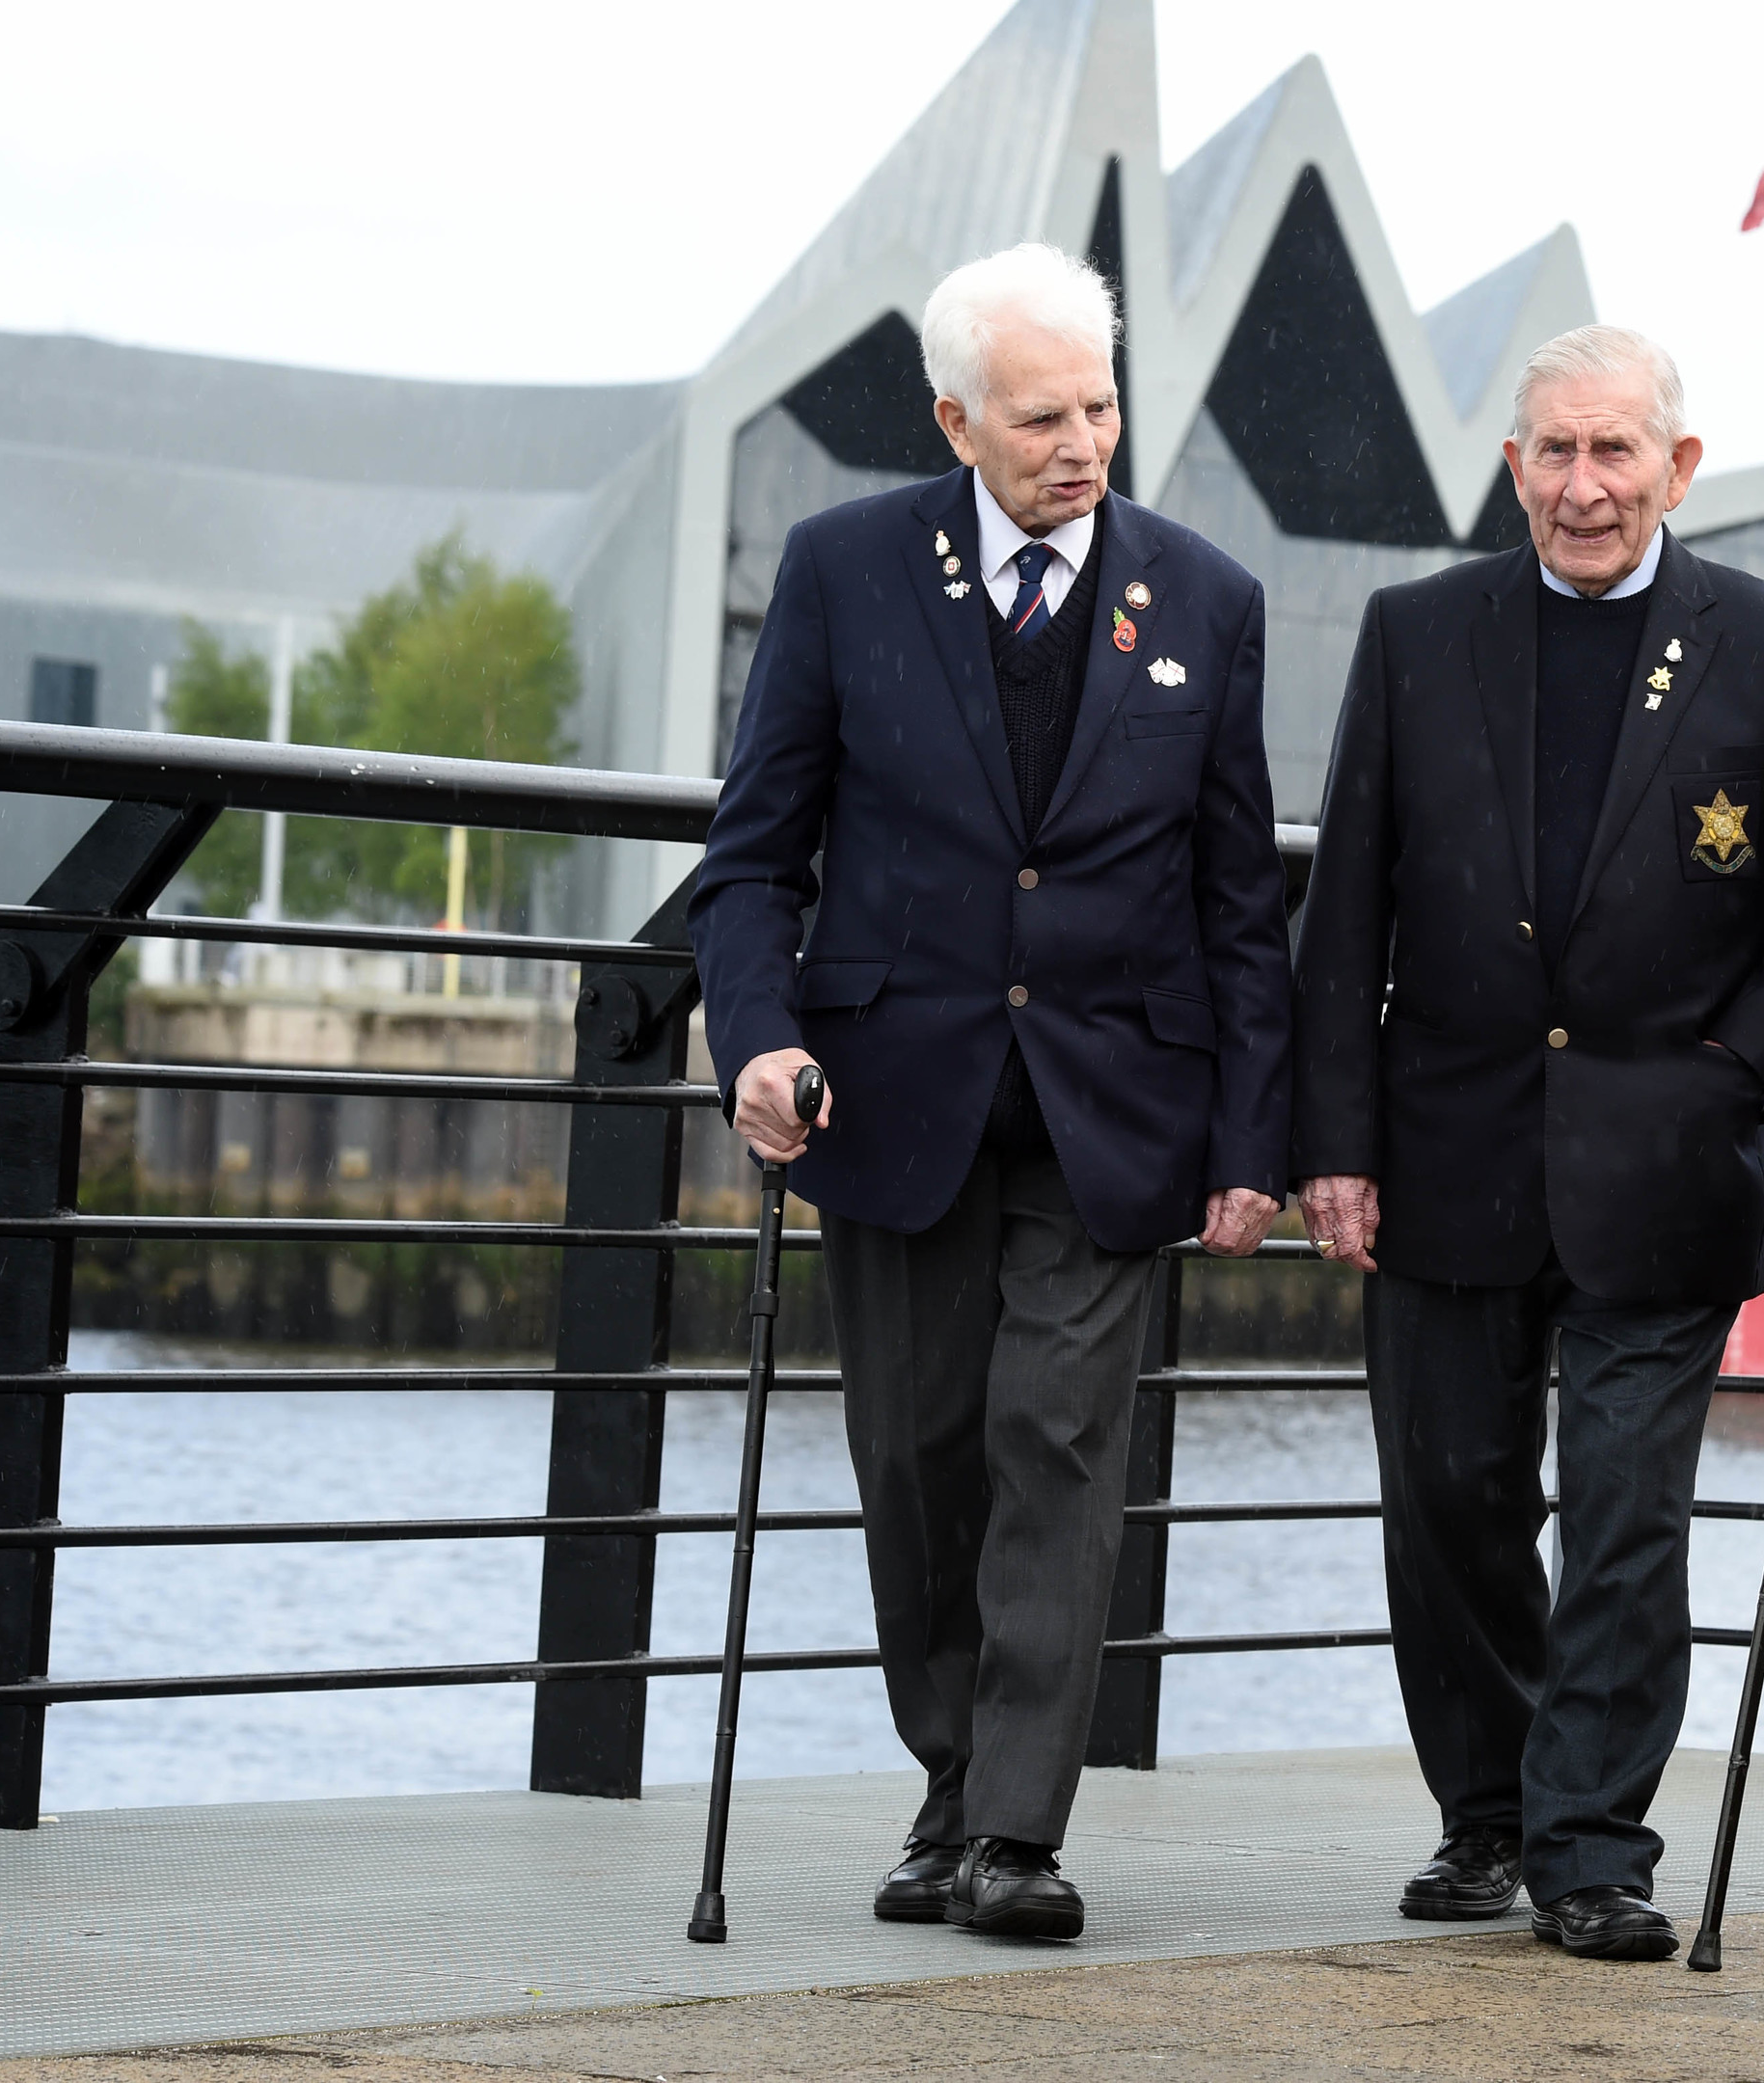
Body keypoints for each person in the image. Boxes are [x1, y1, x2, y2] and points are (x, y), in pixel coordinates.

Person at [690, 242, 1289, 1944]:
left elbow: (1241, 900)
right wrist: (758, 1041)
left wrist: (1255, 1137)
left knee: (1059, 1443)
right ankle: (947, 1784)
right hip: (887, 1099)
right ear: (955, 417)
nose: (1081, 442)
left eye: (1100, 403)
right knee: (919, 1456)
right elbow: (753, 863)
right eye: (1040, 417)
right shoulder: (842, 571)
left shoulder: (1210, 601)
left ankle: (1020, 1831)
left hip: (1116, 1107)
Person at [1292, 326, 1764, 1962]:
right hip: (1444, 1144)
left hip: (1666, 1162)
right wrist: (1335, 1137)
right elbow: (1347, 914)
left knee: (1624, 1516)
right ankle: (1493, 1812)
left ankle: (1594, 1844)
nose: (1583, 488)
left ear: (1680, 469)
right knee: (1448, 1499)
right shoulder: (1414, 633)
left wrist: (1740, 1075)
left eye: (1617, 455)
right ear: (1514, 465)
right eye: (1554, 453)